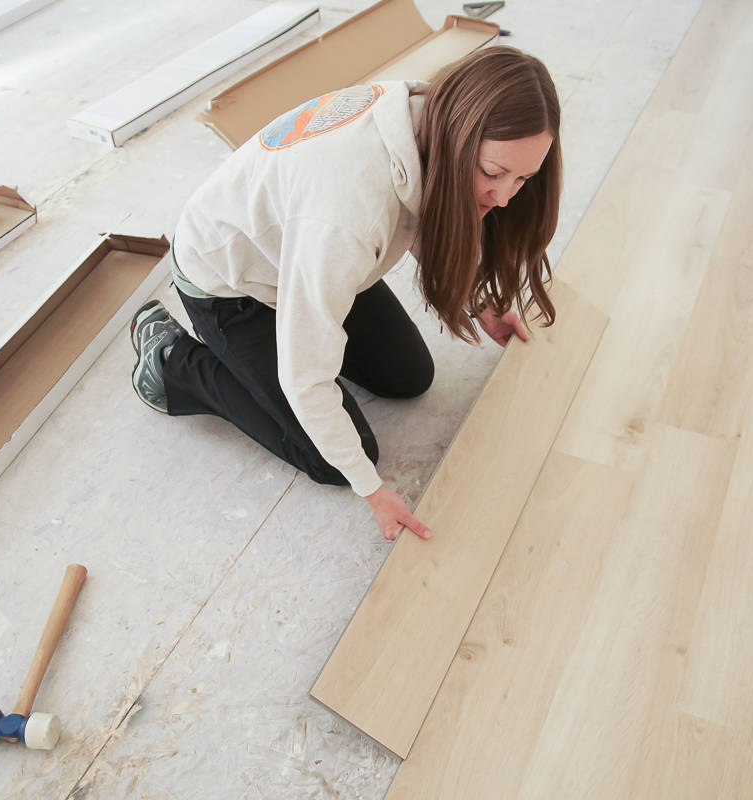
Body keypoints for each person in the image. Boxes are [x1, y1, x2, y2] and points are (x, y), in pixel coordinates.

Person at [129, 45, 561, 542]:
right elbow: (305, 376)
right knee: (335, 459)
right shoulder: (348, 215)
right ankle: (170, 361)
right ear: (458, 138)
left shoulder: (427, 119)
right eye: (491, 173)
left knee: (409, 377)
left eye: (523, 179)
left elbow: (428, 210)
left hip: (302, 253)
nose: (504, 197)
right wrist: (373, 491)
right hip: (230, 282)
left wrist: (478, 299)